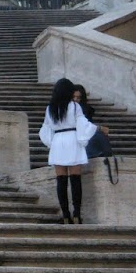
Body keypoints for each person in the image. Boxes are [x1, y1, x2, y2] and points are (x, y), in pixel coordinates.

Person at [40, 76, 96, 224]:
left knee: (61, 180)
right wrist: (91, 131)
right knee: (76, 178)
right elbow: (82, 123)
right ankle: (76, 212)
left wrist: (51, 142)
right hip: (72, 139)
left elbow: (46, 128)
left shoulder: (50, 108)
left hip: (58, 141)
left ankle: (65, 214)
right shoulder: (75, 106)